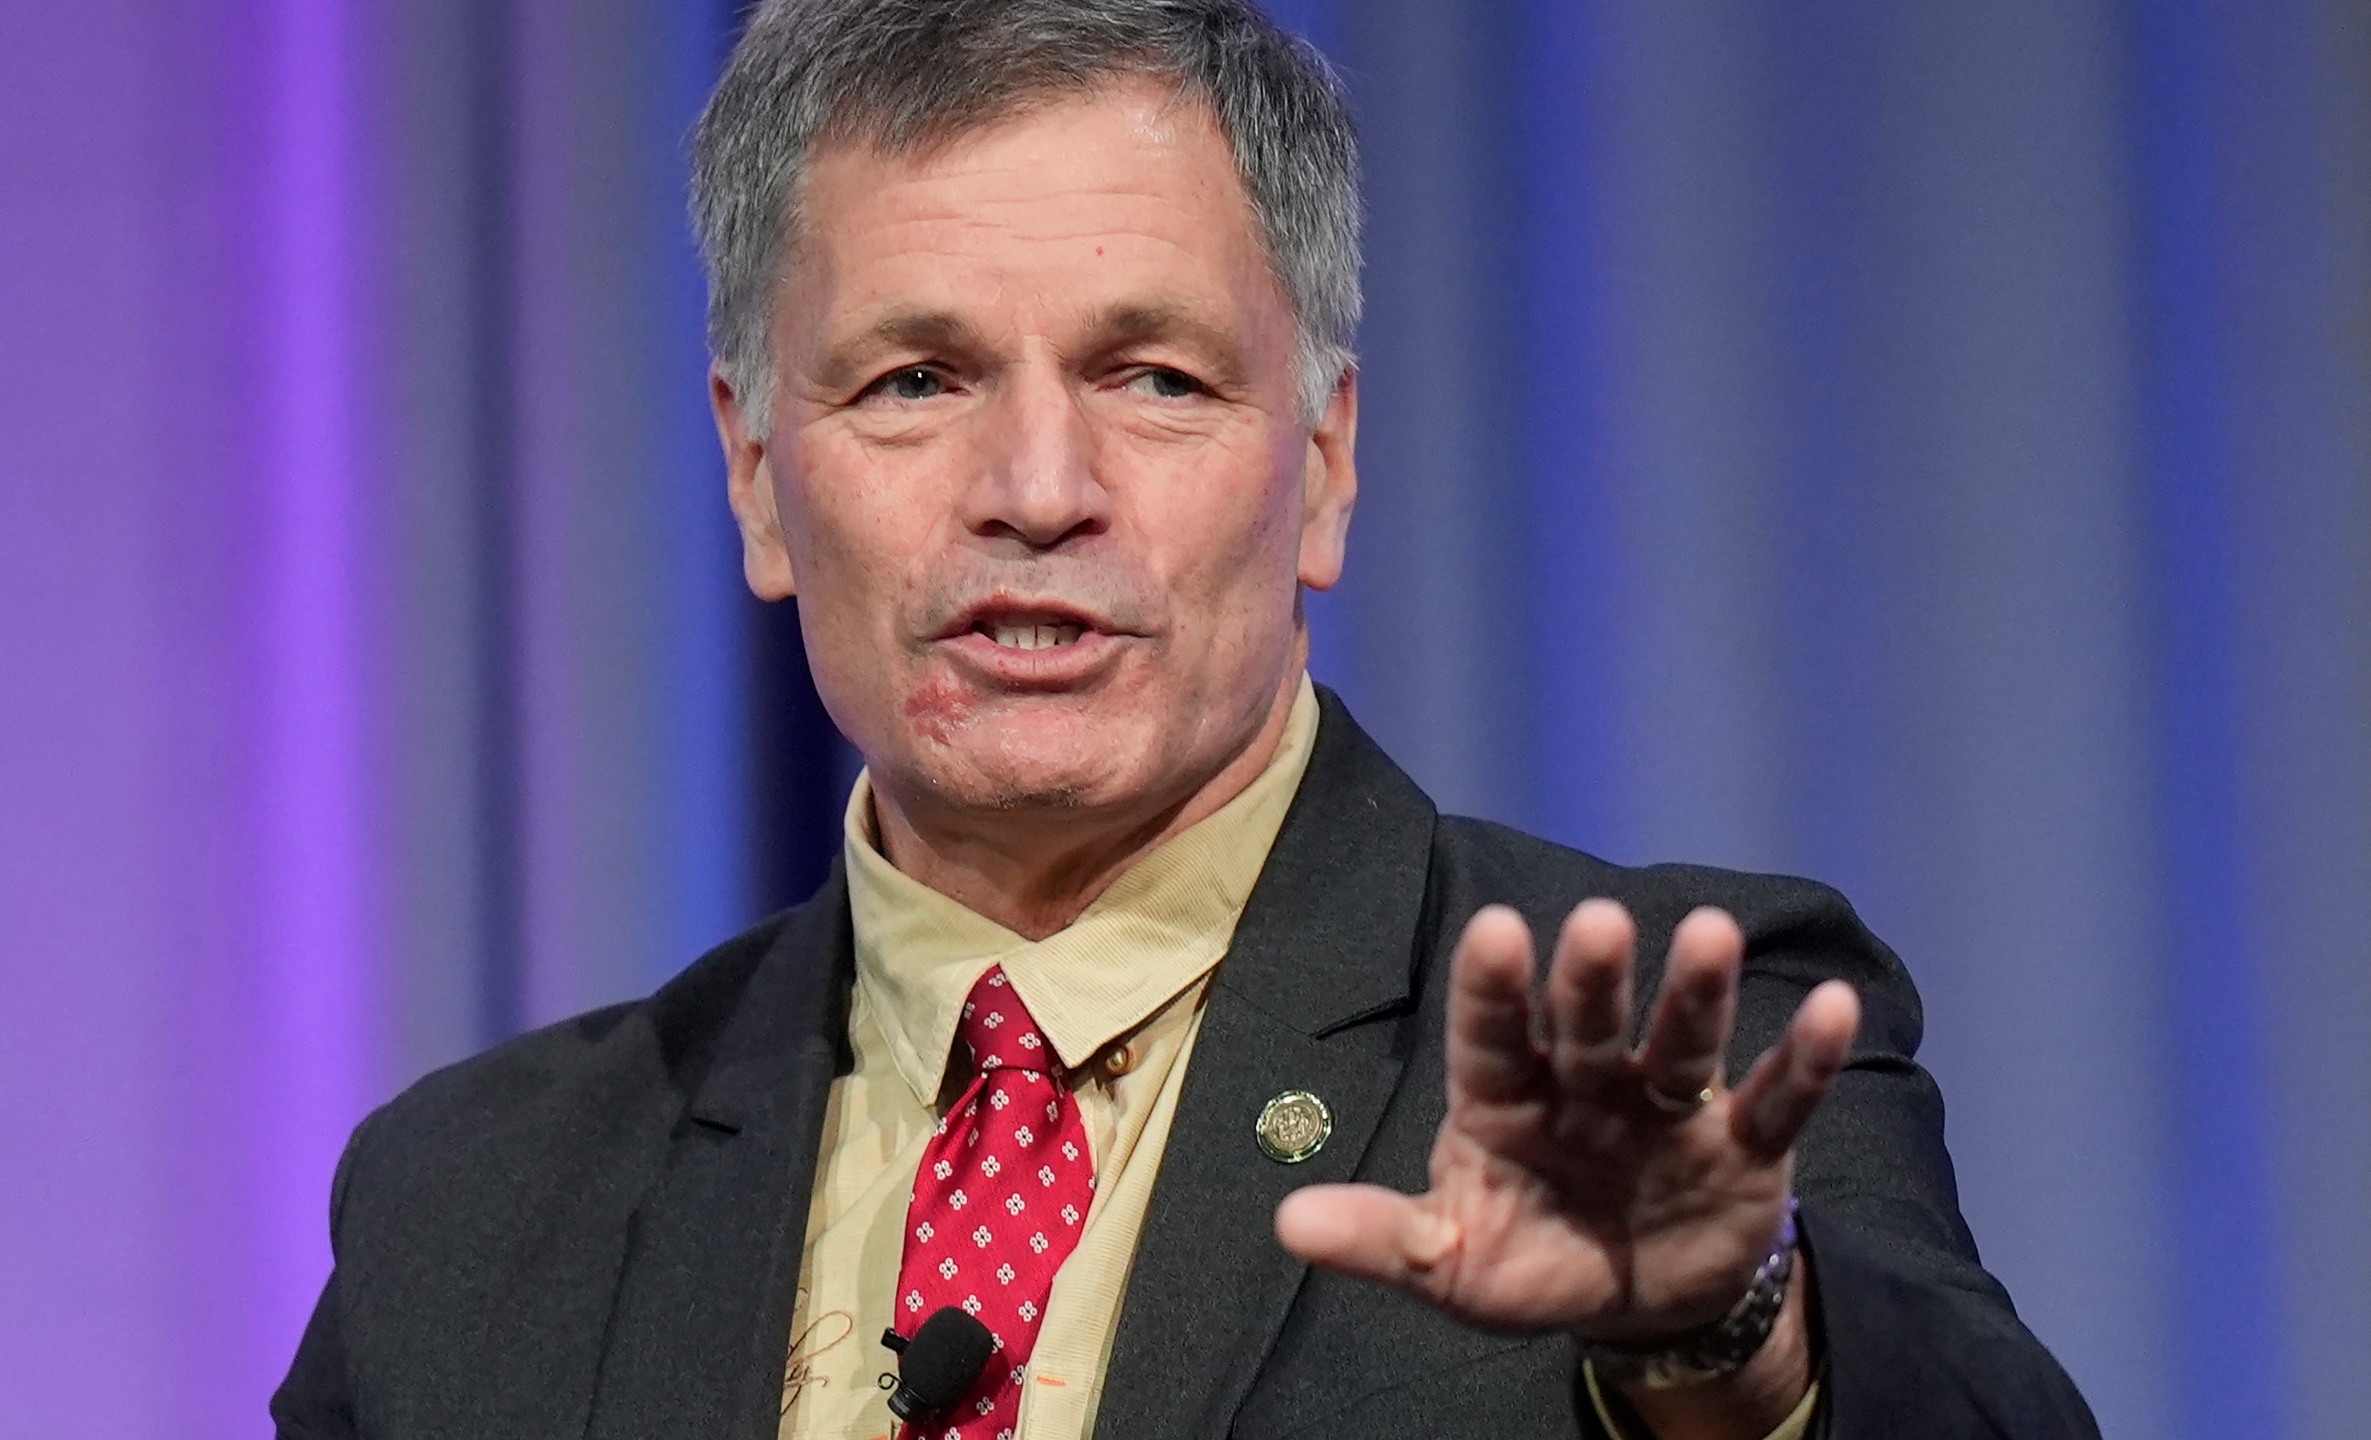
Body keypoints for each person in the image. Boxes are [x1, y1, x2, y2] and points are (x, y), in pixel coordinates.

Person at [273, 2, 2099, 1436]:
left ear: (1323, 463)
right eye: (917, 380)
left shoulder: (1636, 1044)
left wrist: (1734, 1337)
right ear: (758, 475)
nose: (1039, 488)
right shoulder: (475, 1210)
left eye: (1154, 376)